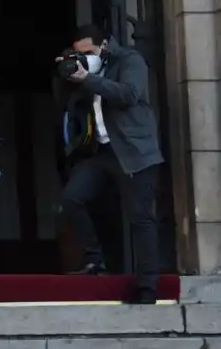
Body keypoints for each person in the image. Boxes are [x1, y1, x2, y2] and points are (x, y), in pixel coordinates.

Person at [54, 24, 163, 304]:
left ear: (103, 47)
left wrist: (86, 78)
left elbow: (128, 95)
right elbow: (72, 107)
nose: (84, 58)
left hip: (134, 151)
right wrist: (68, 73)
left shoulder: (129, 60)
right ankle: (94, 261)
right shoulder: (85, 74)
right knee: (72, 198)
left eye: (88, 53)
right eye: (79, 54)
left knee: (141, 219)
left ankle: (148, 286)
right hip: (101, 152)